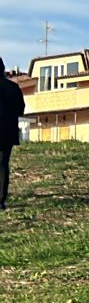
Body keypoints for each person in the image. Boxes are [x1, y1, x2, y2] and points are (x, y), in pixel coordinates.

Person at [0, 59, 23, 210]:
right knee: (3, 165)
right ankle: (1, 201)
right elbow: (20, 109)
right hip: (7, 131)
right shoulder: (13, 87)